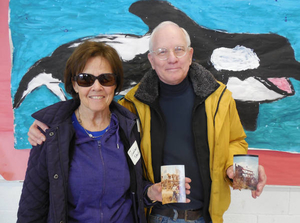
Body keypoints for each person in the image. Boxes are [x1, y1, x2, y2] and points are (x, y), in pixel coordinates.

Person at [27, 22, 267, 223]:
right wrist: (46, 123)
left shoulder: (220, 97)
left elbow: (236, 141)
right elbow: (92, 102)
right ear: (151, 60)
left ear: (190, 54)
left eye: (179, 50)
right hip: (155, 215)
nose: (172, 58)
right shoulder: (132, 105)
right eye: (162, 52)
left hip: (206, 216)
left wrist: (235, 169)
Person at [18, 41, 174, 223]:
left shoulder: (129, 127)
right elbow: (32, 208)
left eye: (106, 79)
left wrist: (150, 193)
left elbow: (132, 189)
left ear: (115, 85)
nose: (97, 87)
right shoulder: (49, 133)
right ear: (74, 85)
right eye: (86, 79)